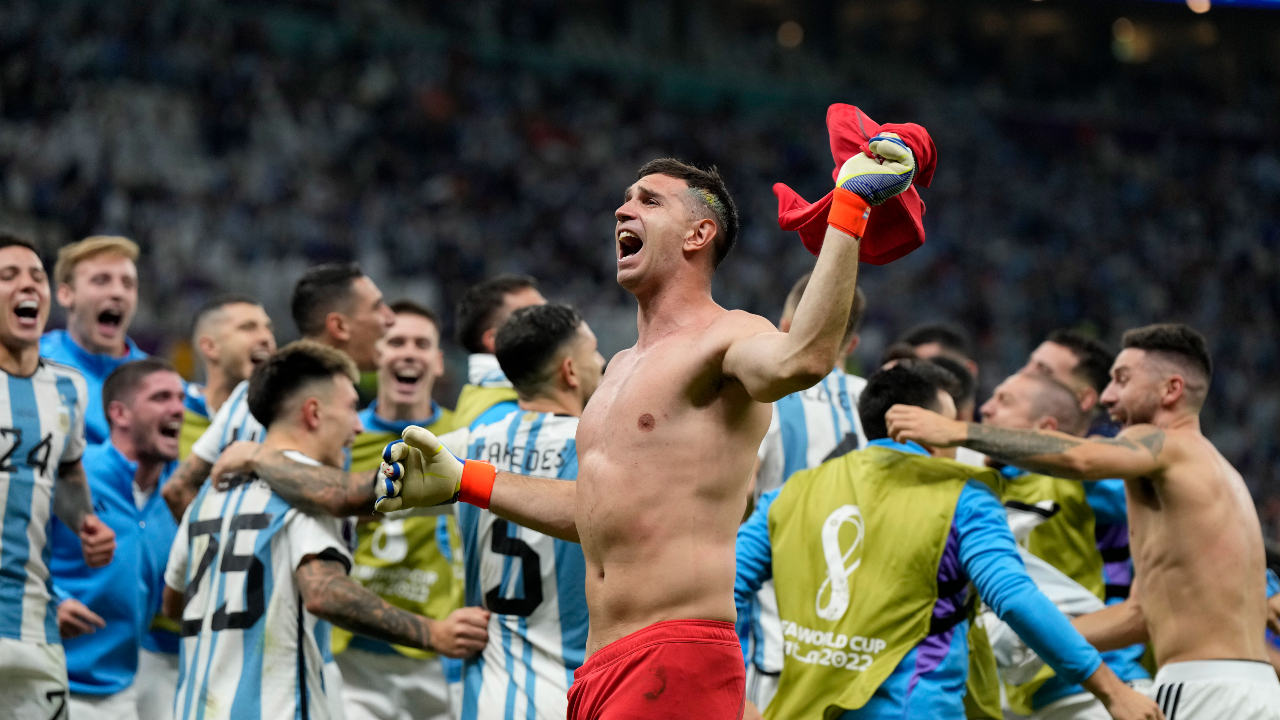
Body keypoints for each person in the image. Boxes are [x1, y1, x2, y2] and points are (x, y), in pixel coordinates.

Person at [379, 140, 925, 719]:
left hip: (677, 655)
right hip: (600, 668)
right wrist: (467, 480)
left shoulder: (729, 335)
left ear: (698, 235)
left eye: (649, 201)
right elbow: (596, 510)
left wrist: (850, 209)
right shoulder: (617, 368)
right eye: (624, 200)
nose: (622, 210)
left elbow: (804, 358)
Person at [888, 323, 1280, 718]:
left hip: (1202, 689)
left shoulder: (1164, 446)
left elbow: (1083, 458)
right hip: (1251, 689)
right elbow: (1141, 615)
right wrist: (1035, 641)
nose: (1109, 397)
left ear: (1171, 390)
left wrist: (956, 431)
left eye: (1122, 380)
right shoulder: (1215, 472)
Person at [733, 362, 1158, 720]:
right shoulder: (963, 497)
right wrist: (1110, 690)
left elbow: (716, 593)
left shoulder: (789, 495)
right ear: (928, 428)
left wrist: (737, 702)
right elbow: (1013, 598)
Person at [160, 341, 489, 720]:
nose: (358, 426)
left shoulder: (207, 497)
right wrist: (434, 633)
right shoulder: (306, 496)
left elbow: (174, 604)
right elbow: (324, 592)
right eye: (350, 407)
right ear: (314, 413)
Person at [457, 303, 604, 719]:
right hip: (577, 694)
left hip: (483, 694)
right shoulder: (603, 452)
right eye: (593, 352)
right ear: (570, 372)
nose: (603, 362)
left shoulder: (464, 445)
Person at [977, 372, 1150, 720]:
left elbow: (1182, 509)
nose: (986, 410)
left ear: (1045, 428)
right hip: (1027, 695)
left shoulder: (1084, 485)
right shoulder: (979, 490)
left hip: (1100, 688)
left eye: (1004, 401)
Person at [162, 262, 394, 519]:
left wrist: (215, 548)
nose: (390, 318)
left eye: (268, 328)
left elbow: (177, 489)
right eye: (377, 307)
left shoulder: (244, 393)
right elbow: (338, 497)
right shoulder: (315, 396)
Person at [0, 233, 116, 720]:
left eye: (36, 277)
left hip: (32, 621)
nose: (28, 285)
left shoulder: (67, 387)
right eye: (8, 276)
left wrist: (84, 520)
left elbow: (67, 471)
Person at [336, 301, 466, 720]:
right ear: (377, 356)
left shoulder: (466, 437)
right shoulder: (341, 437)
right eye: (396, 342)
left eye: (421, 343)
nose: (409, 352)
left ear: (438, 362)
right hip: (351, 650)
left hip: (441, 653)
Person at [744, 276, 868, 711]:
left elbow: (742, 493)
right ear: (850, 345)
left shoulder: (764, 397)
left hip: (775, 634)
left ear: (785, 326)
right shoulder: (879, 402)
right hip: (858, 642)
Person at [49, 359, 184, 720]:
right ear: (119, 413)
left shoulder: (178, 499)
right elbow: (13, 546)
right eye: (161, 397)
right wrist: (52, 603)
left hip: (121, 691)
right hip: (47, 675)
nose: (178, 409)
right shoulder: (73, 474)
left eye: (181, 398)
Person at [41, 236, 149, 445]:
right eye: (101, 280)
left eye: (128, 284)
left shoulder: (156, 382)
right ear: (65, 294)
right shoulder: (32, 361)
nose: (118, 293)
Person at [178, 296, 276, 459]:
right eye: (248, 328)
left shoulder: (280, 420)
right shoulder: (170, 412)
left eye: (268, 328)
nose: (266, 338)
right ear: (210, 347)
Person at [452, 274, 547, 429]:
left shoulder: (480, 402)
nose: (552, 325)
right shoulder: (503, 419)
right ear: (495, 340)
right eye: (535, 319)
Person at [1022, 330, 1121, 437]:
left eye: (1043, 371)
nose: (1022, 375)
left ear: (1084, 398)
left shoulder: (1111, 446)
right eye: (1029, 364)